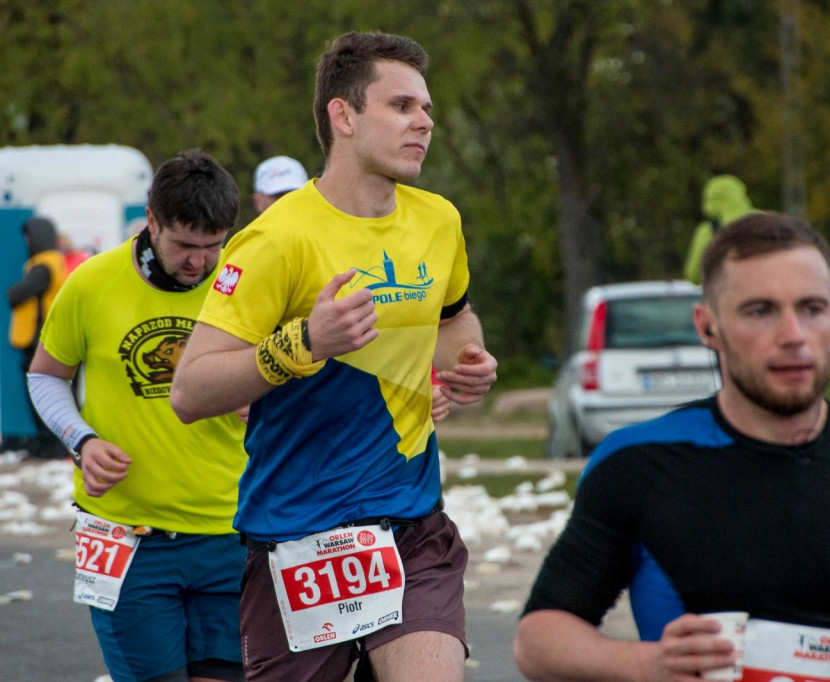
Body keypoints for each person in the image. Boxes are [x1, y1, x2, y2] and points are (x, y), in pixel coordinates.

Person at [514, 213, 830, 681]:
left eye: (812, 309)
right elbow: (538, 640)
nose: (792, 335)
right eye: (760, 311)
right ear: (707, 326)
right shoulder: (637, 464)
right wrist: (645, 663)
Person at [170, 32, 498, 682]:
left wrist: (469, 363)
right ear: (343, 117)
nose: (425, 122)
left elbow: (453, 317)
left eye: (427, 108)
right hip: (299, 533)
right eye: (402, 105)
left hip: (411, 521)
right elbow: (192, 390)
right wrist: (305, 345)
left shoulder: (438, 222)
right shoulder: (276, 239)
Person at [27, 149, 247, 682]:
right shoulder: (91, 283)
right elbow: (45, 375)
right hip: (128, 538)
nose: (199, 262)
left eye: (213, 246)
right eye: (184, 246)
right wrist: (81, 440)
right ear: (151, 220)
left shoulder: (245, 287)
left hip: (233, 535)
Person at [253, 154, 452, 425]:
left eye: (293, 193)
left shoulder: (336, 245)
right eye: (277, 196)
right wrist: (245, 389)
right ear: (258, 201)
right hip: (288, 433)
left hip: (362, 428)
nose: (286, 202)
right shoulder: (249, 255)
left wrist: (430, 382)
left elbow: (392, 324)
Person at [6, 215, 68, 458]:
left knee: (40, 393)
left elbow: (18, 293)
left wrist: (12, 293)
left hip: (37, 338)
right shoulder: (53, 261)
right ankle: (47, 443)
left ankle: (50, 444)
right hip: (39, 338)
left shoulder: (44, 265)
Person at [682, 174, 757, 284]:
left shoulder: (709, 231)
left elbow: (694, 275)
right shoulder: (769, 222)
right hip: (771, 293)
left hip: (728, 296)